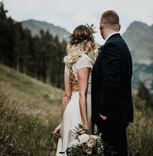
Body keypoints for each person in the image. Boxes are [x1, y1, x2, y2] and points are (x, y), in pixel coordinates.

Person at [92, 10, 134, 156]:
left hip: (111, 114)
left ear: (101, 25)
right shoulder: (122, 44)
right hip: (119, 113)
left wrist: (103, 111)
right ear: (119, 26)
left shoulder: (112, 46)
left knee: (112, 151)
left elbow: (111, 81)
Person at [53, 24, 98, 156]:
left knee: (70, 147)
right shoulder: (84, 60)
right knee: (80, 147)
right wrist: (85, 124)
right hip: (82, 108)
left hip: (70, 108)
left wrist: (62, 121)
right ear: (89, 40)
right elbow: (82, 94)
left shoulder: (69, 61)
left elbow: (67, 96)